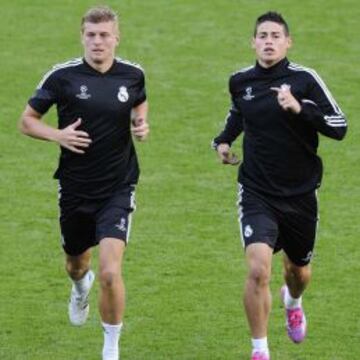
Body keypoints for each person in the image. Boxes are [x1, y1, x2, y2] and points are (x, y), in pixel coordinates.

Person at [212, 11, 347, 360]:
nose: (269, 41)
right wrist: (224, 141)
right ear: (253, 42)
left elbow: (339, 125)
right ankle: (260, 349)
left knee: (298, 271)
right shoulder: (240, 81)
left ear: (288, 42)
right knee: (258, 268)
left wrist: (299, 108)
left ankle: (294, 301)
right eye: (262, 35)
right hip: (256, 190)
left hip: (301, 194)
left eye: (275, 35)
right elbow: (239, 113)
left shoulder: (304, 80)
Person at [19, 6, 149, 360]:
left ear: (116, 38)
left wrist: (141, 123)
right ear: (82, 37)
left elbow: (139, 102)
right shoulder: (62, 77)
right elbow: (27, 121)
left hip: (118, 188)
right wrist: (57, 135)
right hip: (75, 188)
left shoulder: (133, 74)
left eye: (104, 35)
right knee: (78, 265)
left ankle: (111, 348)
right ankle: (79, 289)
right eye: (91, 35)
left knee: (110, 271)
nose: (97, 41)